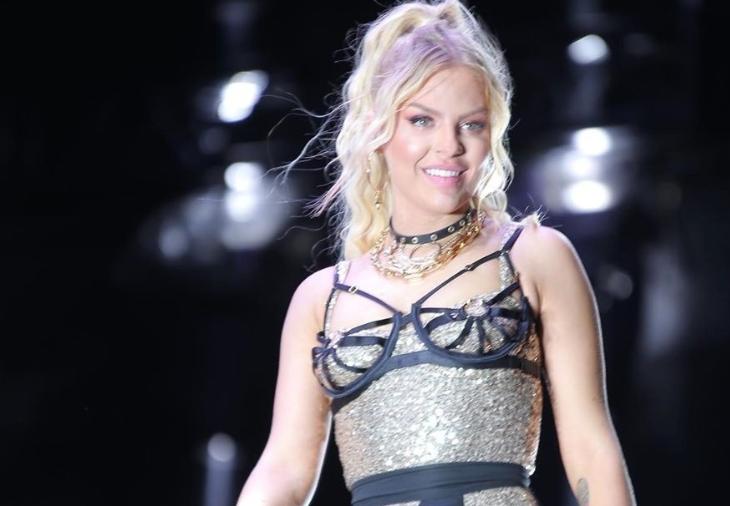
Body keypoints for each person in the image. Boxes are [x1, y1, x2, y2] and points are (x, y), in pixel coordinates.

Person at [237, 1, 636, 504]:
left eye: (471, 124)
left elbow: (590, 448)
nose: (449, 146)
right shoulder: (323, 299)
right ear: (378, 128)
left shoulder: (533, 256)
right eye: (422, 120)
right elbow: (284, 470)